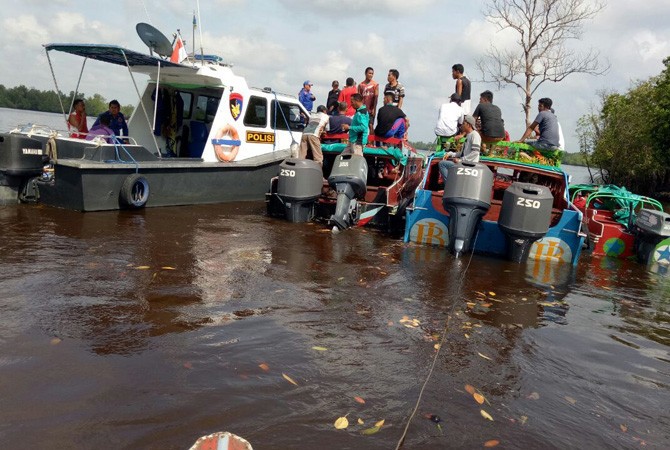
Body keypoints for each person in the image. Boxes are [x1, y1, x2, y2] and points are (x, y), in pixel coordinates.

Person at [438, 115, 481, 186]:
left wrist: (461, 160)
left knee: (442, 164)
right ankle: (451, 184)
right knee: (445, 163)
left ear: (469, 125)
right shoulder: (468, 135)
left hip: (468, 165)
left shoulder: (475, 135)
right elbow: (462, 153)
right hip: (464, 163)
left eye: (464, 123)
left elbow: (475, 153)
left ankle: (449, 186)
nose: (462, 126)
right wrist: (450, 154)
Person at [358, 67, 379, 134]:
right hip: (363, 108)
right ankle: (363, 141)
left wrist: (374, 109)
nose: (371, 75)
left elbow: (376, 98)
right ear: (366, 74)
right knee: (362, 125)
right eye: (369, 73)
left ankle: (371, 142)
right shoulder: (361, 85)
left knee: (371, 125)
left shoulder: (375, 84)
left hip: (371, 108)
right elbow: (358, 98)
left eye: (372, 74)